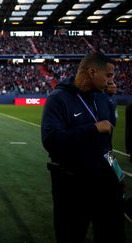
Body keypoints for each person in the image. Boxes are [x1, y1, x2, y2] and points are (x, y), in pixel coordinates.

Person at [41, 52, 125, 243]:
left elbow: (106, 146)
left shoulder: (103, 99)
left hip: (106, 186)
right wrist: (92, 129)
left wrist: (118, 174)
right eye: (109, 75)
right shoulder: (58, 99)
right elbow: (51, 140)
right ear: (92, 72)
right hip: (72, 188)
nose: (112, 81)